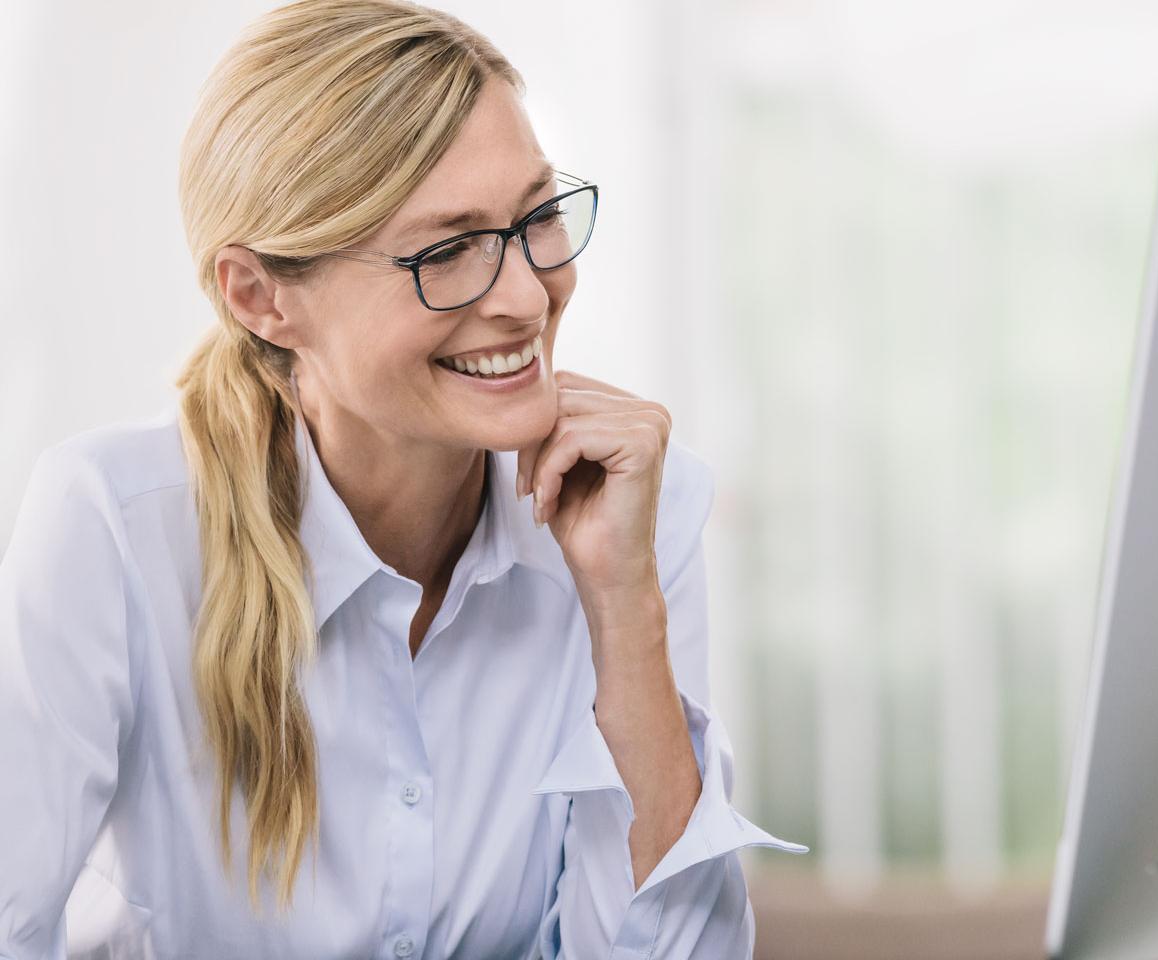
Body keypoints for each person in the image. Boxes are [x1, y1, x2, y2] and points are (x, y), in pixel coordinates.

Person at [0, 1, 806, 956]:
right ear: (261, 297)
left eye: (537, 218)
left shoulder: (633, 511)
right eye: (445, 250)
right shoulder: (116, 528)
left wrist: (625, 609)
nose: (524, 297)